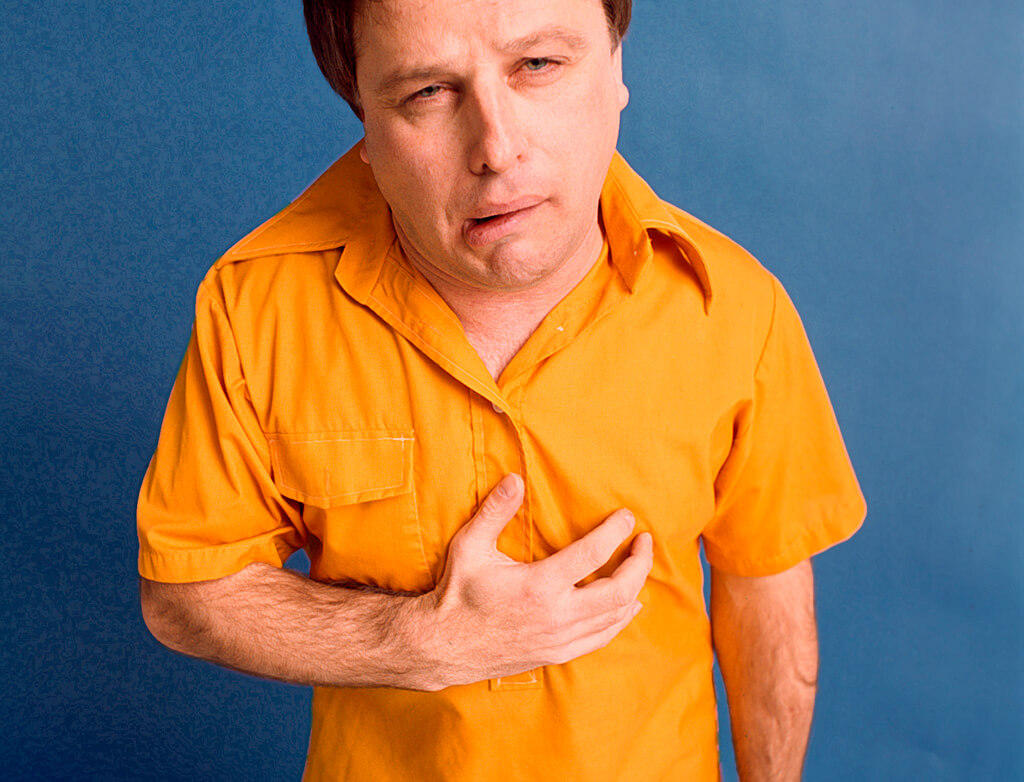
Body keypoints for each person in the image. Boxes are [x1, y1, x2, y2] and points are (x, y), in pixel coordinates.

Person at [137, 0, 866, 779]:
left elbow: (766, 587)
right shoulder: (257, 307)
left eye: (539, 66)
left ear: (617, 68)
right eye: (427, 92)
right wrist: (422, 640)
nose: (497, 147)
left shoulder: (737, 309)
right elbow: (185, 594)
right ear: (364, 122)